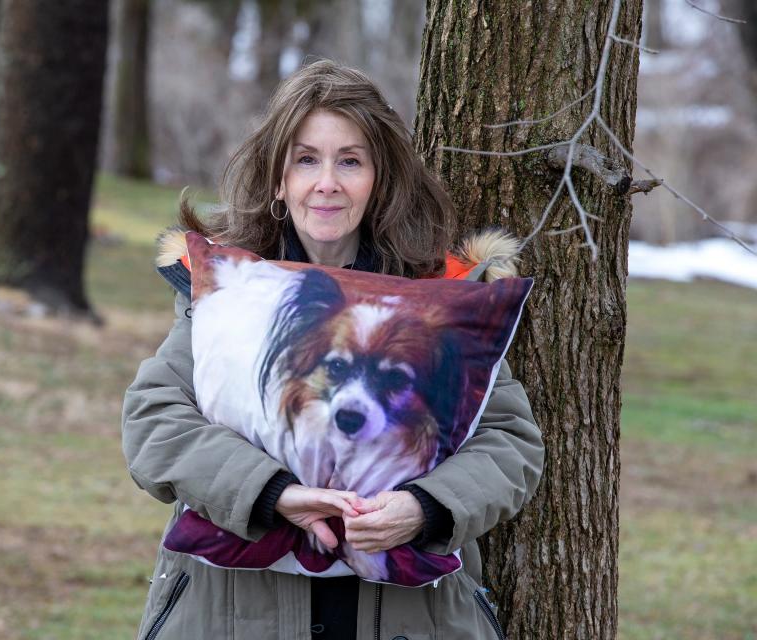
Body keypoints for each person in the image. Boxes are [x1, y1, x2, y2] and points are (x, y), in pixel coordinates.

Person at [122, 60, 544, 640]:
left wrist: (426, 507)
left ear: (380, 178)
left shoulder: (440, 299)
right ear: (278, 178)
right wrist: (273, 494)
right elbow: (156, 424)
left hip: (405, 614)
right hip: (234, 612)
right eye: (305, 159)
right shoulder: (227, 289)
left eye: (350, 161)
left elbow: (508, 443)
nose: (327, 182)